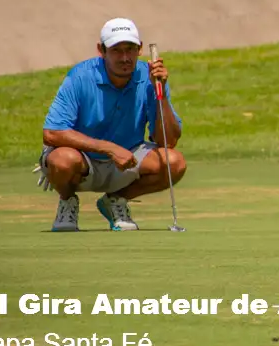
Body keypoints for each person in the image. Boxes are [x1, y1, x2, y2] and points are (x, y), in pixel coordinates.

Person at [34, 18, 186, 232]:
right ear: (101, 50)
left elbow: (168, 141)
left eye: (130, 49)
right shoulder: (80, 76)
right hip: (83, 158)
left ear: (140, 49)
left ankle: (115, 201)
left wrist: (159, 93)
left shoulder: (150, 77)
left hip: (129, 156)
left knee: (174, 162)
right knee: (62, 160)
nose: (125, 58)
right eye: (116, 50)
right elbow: (52, 133)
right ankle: (67, 201)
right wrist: (109, 148)